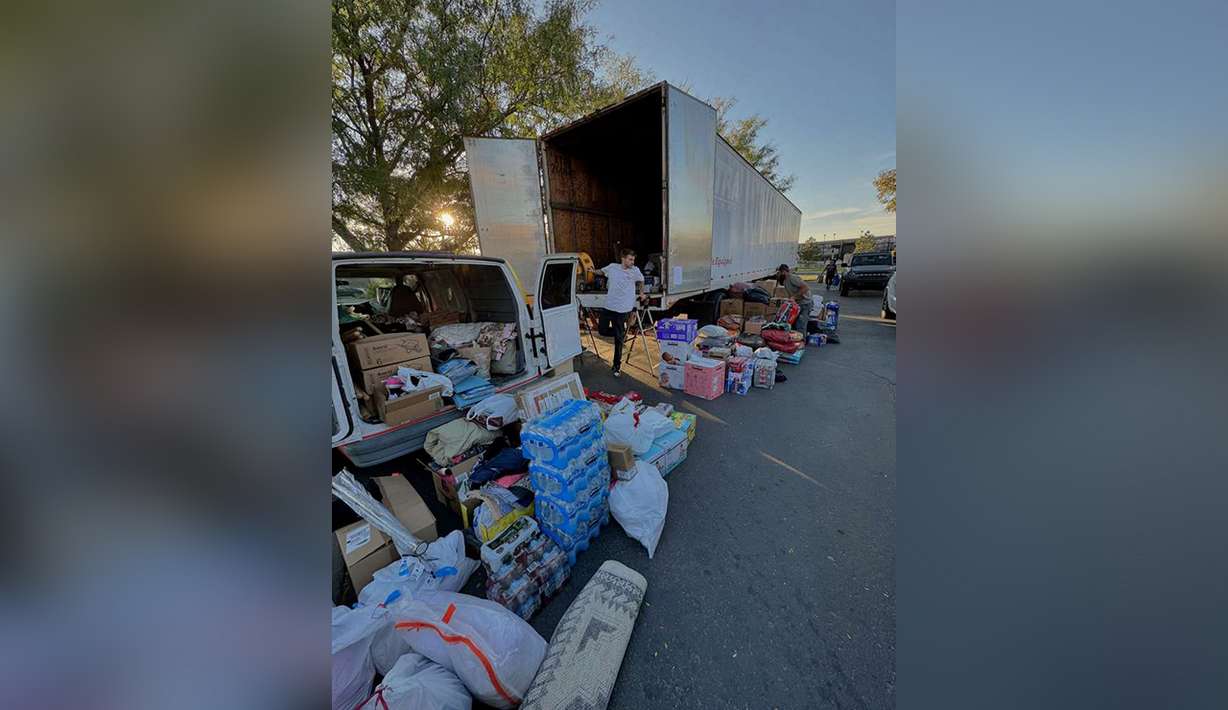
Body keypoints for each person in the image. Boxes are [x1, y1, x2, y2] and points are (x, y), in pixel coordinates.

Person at [600, 249, 645, 376]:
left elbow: (641, 281)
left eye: (633, 260)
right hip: (609, 306)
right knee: (602, 330)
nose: (632, 262)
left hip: (623, 309)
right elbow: (601, 271)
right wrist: (591, 271)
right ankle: (620, 334)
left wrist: (641, 293)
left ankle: (616, 365)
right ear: (623, 258)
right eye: (630, 259)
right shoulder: (613, 267)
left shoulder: (635, 271)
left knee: (618, 341)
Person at [774, 263, 813, 331]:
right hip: (798, 304)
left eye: (779, 272)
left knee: (800, 325)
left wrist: (794, 297)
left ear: (783, 272)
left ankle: (802, 341)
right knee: (793, 324)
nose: (778, 274)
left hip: (805, 304)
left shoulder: (792, 278)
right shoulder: (785, 280)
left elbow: (805, 287)